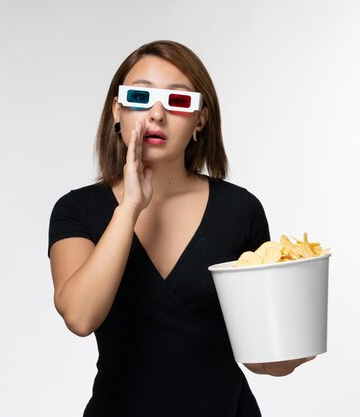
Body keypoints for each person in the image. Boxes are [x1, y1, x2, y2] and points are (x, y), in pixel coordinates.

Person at [48, 40, 314, 417]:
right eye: (140, 96)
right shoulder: (77, 210)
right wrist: (129, 208)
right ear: (116, 110)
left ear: (200, 120)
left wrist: (287, 352)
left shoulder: (240, 210)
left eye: (178, 101)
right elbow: (80, 315)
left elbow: (259, 354)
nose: (156, 114)